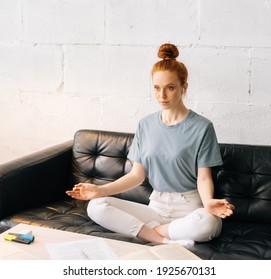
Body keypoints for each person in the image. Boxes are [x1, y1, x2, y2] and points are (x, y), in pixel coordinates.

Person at [66, 43, 234, 246]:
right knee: (97, 206)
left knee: (208, 223)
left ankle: (153, 233)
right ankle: (164, 240)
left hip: (189, 208)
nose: (162, 96)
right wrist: (100, 190)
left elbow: (204, 178)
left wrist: (208, 203)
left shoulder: (202, 127)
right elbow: (137, 176)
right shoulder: (145, 125)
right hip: (156, 207)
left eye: (170, 88)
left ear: (184, 87)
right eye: (157, 88)